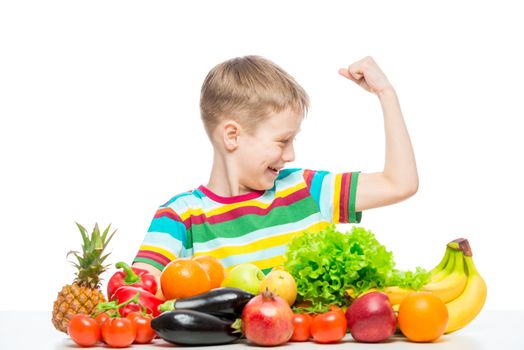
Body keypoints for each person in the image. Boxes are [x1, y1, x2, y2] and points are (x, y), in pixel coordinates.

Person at [132, 55, 418, 297]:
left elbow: (399, 184)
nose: (291, 155)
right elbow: (135, 294)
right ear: (232, 136)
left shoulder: (306, 190)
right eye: (283, 141)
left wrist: (386, 94)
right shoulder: (180, 217)